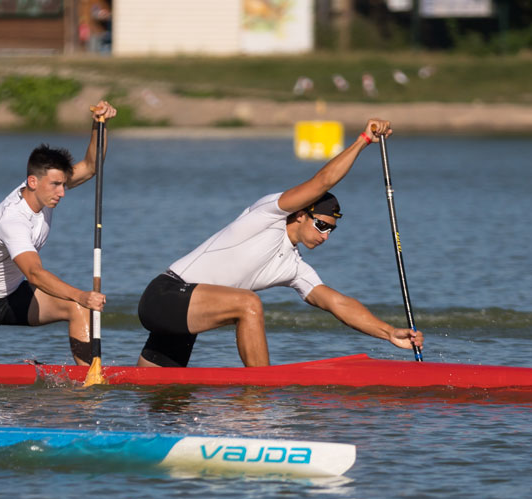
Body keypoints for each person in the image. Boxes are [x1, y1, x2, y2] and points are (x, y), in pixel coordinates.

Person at [136, 117, 424, 368]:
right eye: (321, 225)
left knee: (161, 397)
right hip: (165, 296)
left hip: (185, 318)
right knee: (249, 304)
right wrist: (363, 140)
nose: (325, 236)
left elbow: (337, 303)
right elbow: (322, 181)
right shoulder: (269, 214)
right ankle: (260, 390)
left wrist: (388, 332)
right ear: (300, 214)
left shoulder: (293, 267)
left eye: (331, 231)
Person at [0, 101, 117, 365]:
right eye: (56, 185)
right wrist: (82, 293)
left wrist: (99, 125)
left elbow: (91, 167)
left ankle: (89, 385)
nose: (62, 192)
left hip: (13, 295)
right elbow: (34, 273)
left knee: (79, 309)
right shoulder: (12, 220)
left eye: (63, 184)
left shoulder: (43, 193)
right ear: (32, 182)